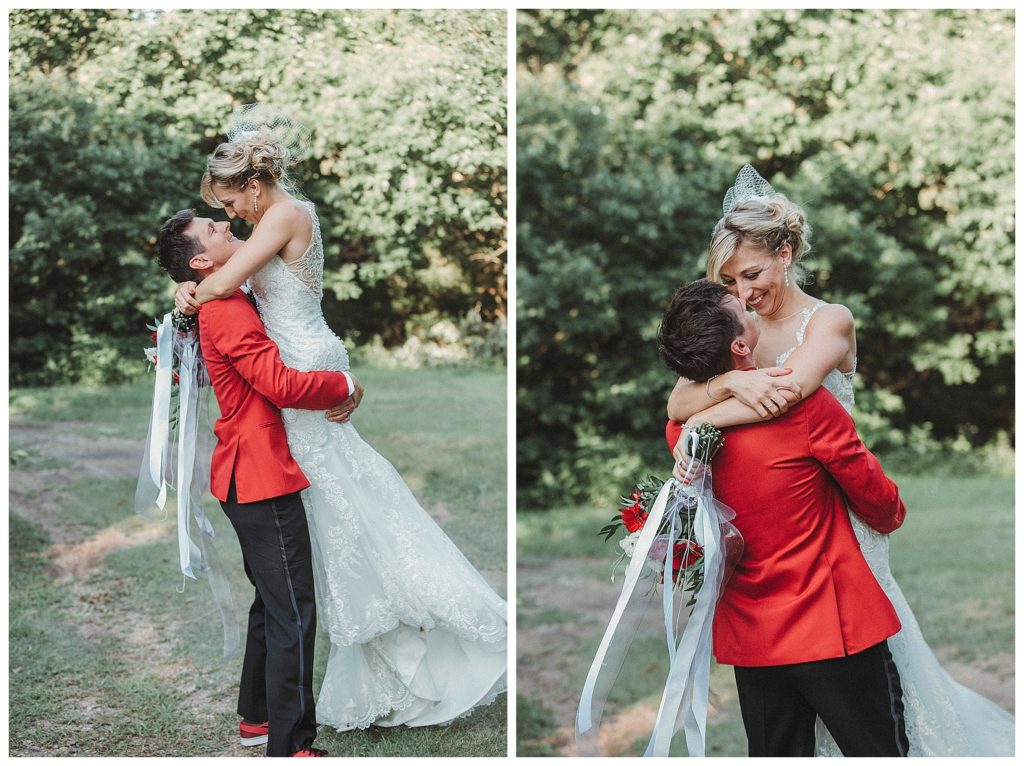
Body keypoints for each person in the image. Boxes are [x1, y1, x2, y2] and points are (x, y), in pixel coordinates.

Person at [172, 111, 507, 734]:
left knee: (348, 528)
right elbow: (212, 271)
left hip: (303, 367)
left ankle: (409, 633)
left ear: (253, 185)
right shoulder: (261, 225)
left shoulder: (284, 216)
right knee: (337, 532)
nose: (230, 217)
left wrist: (189, 291)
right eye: (221, 211)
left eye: (228, 203)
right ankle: (304, 690)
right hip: (296, 369)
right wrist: (186, 289)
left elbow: (223, 277)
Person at [666, 166, 1014, 756]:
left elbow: (791, 392)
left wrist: (707, 411)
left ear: (786, 251)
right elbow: (678, 398)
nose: (742, 291)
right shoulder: (733, 329)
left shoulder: (829, 319)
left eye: (751, 274)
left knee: (867, 669)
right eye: (728, 280)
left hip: (843, 518)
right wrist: (726, 385)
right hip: (775, 523)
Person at [659, 279, 911, 757]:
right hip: (832, 629)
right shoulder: (808, 408)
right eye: (741, 306)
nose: (751, 302)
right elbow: (883, 507)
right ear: (739, 345)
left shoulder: (683, 433)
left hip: (754, 642)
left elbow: (682, 408)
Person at [156, 209, 363, 757]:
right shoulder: (223, 307)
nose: (226, 226)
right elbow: (276, 383)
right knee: (294, 608)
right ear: (201, 260)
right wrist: (343, 381)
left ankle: (256, 719)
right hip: (261, 474)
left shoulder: (222, 288)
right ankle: (292, 745)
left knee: (272, 604)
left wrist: (185, 286)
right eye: (214, 228)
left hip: (246, 473)